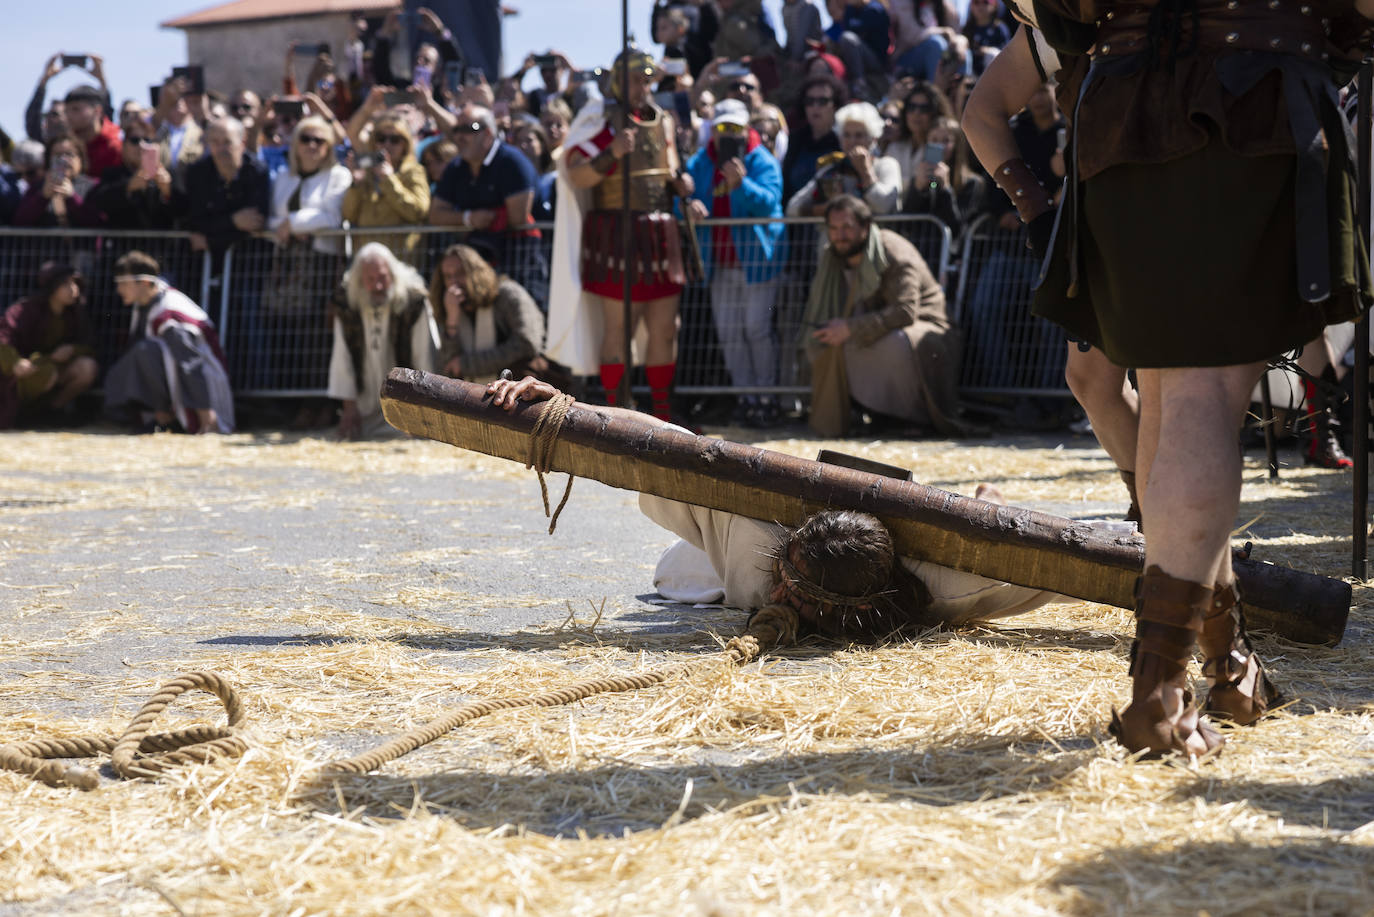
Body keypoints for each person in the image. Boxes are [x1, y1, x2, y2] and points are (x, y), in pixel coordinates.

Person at [1023, 1, 1374, 756]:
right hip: (1248, 107)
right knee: (1197, 402)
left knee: (1168, 403)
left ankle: (1226, 664)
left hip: (1121, 108)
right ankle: (1157, 697)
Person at [487, 373, 1059, 644]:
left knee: (982, 512)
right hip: (734, 551)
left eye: (795, 590)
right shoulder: (756, 534)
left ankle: (983, 500)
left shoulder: (952, 587)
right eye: (787, 574)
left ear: (849, 606)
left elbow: (1067, 567)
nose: (781, 592)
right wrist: (569, 406)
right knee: (670, 573)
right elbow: (668, 444)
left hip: (769, 568)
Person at [962, 20, 1141, 521]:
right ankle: (1150, 505)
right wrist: (1036, 210)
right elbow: (981, 113)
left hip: (1196, 202)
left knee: (1180, 386)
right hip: (1104, 210)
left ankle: (1174, 525)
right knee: (1090, 380)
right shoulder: (1074, 10)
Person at [546, 45, 693, 420]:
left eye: (646, 80)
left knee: (665, 327)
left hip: (660, 231)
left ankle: (663, 412)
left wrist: (681, 184)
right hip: (616, 233)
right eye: (634, 80)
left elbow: (670, 165)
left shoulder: (662, 120)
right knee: (619, 327)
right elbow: (575, 171)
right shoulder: (603, 122)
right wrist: (611, 152)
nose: (642, 88)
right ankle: (615, 411)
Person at [803, 194, 964, 436]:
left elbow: (905, 311)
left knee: (894, 344)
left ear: (865, 227)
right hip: (877, 323)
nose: (840, 235)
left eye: (847, 227)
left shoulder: (892, 250)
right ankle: (859, 412)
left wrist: (850, 328)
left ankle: (912, 418)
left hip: (928, 328)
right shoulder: (833, 257)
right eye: (834, 228)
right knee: (821, 340)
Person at [682, 99, 785, 426]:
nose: (729, 135)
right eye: (722, 128)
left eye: (735, 129)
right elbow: (681, 197)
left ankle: (767, 398)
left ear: (747, 129)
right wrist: (688, 205)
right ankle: (746, 397)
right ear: (713, 130)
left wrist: (742, 186)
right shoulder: (701, 161)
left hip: (757, 263)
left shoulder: (761, 160)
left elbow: (769, 203)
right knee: (729, 333)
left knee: (756, 329)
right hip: (720, 264)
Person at [103, 250, 235, 434]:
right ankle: (161, 415)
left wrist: (207, 415)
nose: (119, 290)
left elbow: (191, 363)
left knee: (146, 351)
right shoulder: (144, 304)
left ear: (146, 282)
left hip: (206, 381)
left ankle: (173, 416)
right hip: (179, 377)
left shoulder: (169, 313)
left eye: (124, 283)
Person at [428, 103, 545, 302]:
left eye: (469, 129)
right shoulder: (456, 167)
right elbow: (435, 214)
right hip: (477, 263)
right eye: (457, 130)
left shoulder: (512, 162)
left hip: (520, 262)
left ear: (488, 134)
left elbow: (518, 217)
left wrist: (479, 220)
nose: (459, 137)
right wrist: (468, 218)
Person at [328, 242, 439, 440]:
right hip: (367, 407)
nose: (378, 286)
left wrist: (425, 412)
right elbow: (341, 357)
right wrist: (349, 408)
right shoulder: (347, 303)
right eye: (370, 279)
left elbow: (424, 356)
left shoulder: (413, 302)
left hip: (408, 407)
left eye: (382, 277)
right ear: (360, 281)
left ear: (393, 275)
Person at [430, 242, 560, 385]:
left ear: (476, 272)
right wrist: (452, 320)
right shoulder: (450, 306)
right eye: (448, 276)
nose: (454, 282)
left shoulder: (508, 295)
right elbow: (449, 366)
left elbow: (527, 343)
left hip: (525, 385)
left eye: (460, 273)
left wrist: (469, 365)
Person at [0, 263, 98, 429]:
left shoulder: (76, 314)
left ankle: (52, 411)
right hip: (25, 374)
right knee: (46, 373)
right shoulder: (25, 310)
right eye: (66, 284)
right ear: (53, 286)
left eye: (75, 283)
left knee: (87, 368)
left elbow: (90, 344)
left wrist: (72, 350)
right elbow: (3, 337)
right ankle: (24, 414)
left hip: (56, 371)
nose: (73, 289)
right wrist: (14, 362)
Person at [787, 101, 902, 216]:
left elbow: (884, 205)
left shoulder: (886, 165)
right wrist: (829, 209)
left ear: (873, 139)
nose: (852, 142)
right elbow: (792, 207)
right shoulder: (832, 169)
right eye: (846, 135)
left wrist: (865, 172)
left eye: (859, 135)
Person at [341, 113, 431, 258]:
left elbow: (418, 211)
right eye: (381, 139)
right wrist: (355, 184)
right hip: (367, 259)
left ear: (405, 144)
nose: (387, 145)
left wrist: (389, 180)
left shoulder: (414, 171)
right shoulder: (367, 173)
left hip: (401, 259)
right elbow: (349, 215)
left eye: (395, 140)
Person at [181, 117, 270, 258]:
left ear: (242, 143)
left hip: (248, 258)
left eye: (227, 142)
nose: (222, 149)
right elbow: (197, 221)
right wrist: (233, 220)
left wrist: (211, 239)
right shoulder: (197, 172)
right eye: (215, 142)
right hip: (204, 259)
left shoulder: (257, 171)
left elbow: (255, 222)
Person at [86, 117, 178, 231]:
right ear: (124, 146)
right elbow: (99, 202)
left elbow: (182, 212)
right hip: (122, 246)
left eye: (147, 140)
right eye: (135, 140)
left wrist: (167, 192)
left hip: (159, 247)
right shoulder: (112, 174)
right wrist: (129, 186)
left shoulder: (168, 175)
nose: (141, 145)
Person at [901, 116, 985, 236]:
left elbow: (956, 228)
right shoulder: (923, 179)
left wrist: (945, 188)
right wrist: (918, 189)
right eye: (934, 140)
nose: (939, 146)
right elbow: (906, 224)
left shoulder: (972, 182)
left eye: (946, 141)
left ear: (956, 145)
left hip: (949, 251)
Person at [12, 134, 98, 228]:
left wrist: (72, 198)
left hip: (82, 243)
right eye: (58, 155)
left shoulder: (94, 186)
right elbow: (20, 221)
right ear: (48, 159)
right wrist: (43, 197)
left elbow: (98, 221)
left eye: (69, 154)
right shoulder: (37, 187)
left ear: (80, 159)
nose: (63, 159)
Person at [884, 82, 956, 190]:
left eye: (924, 109)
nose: (916, 113)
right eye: (912, 107)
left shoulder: (939, 148)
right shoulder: (894, 147)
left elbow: (934, 186)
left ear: (935, 112)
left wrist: (932, 183)